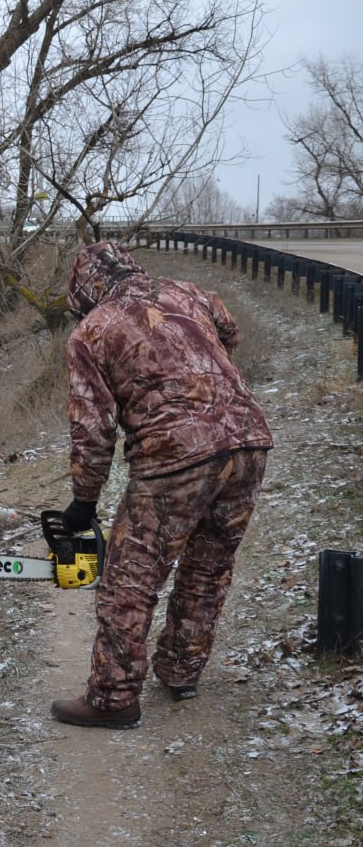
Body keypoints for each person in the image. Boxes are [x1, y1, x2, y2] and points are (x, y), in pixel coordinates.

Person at [51, 240, 274, 730]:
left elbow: (91, 428)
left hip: (175, 459)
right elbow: (230, 331)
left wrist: (83, 501)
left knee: (129, 579)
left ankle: (113, 698)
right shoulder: (190, 292)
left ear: (85, 288)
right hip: (248, 441)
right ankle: (181, 670)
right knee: (208, 565)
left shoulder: (91, 332)